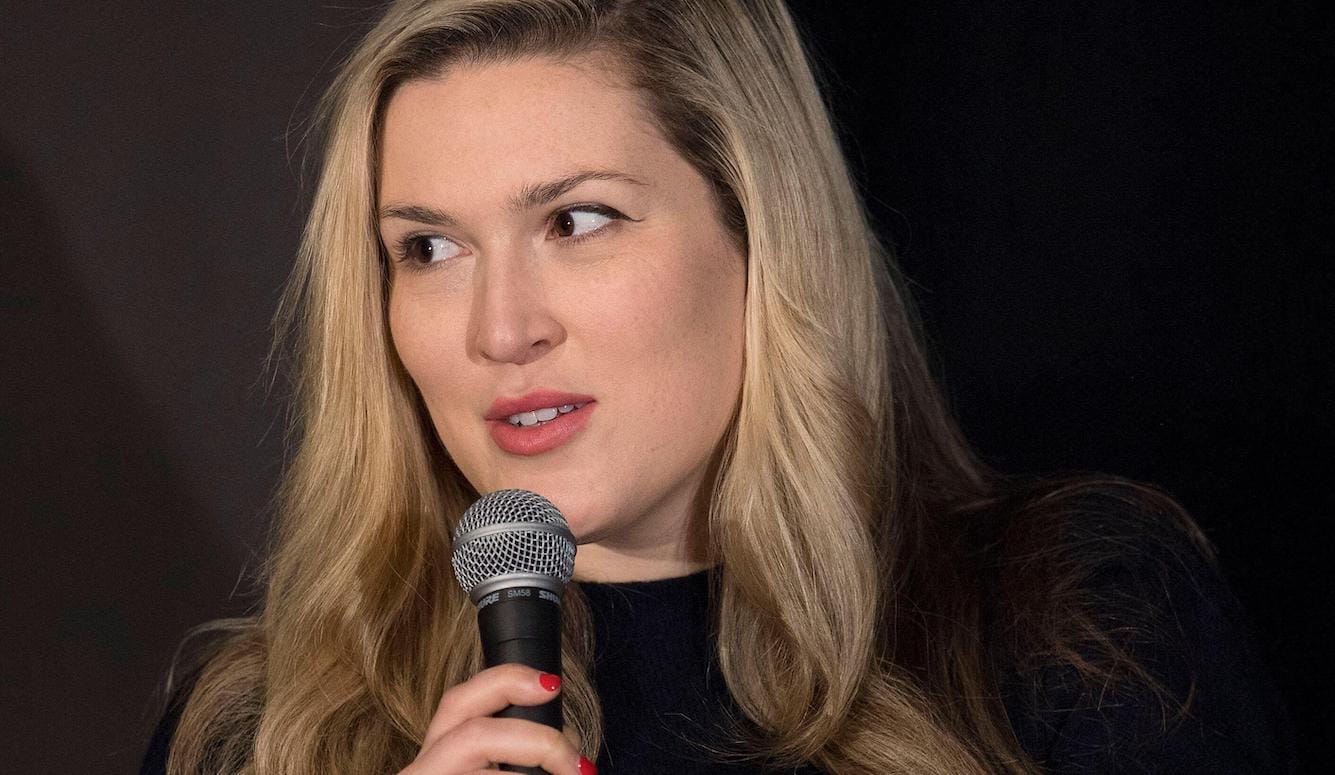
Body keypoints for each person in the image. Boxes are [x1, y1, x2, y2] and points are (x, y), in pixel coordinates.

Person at [142, 1, 1293, 773]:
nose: (501, 330)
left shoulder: (1071, 627)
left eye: (577, 220)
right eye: (429, 249)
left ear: (758, 240)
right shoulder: (255, 725)